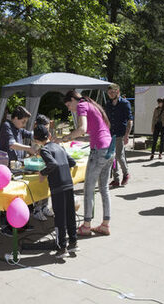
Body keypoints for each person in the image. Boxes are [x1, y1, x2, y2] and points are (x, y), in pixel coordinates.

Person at [57, 90, 113, 236]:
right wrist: (73, 139)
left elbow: (81, 129)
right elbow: (94, 133)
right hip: (109, 149)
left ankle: (86, 225)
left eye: (69, 105)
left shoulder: (82, 105)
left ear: (74, 99)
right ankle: (105, 225)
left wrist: (64, 139)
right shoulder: (92, 105)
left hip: (99, 150)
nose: (69, 108)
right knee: (104, 188)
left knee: (88, 188)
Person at [34, 125, 79, 258]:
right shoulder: (59, 146)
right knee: (70, 214)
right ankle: (74, 242)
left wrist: (42, 172)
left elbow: (52, 164)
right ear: (48, 135)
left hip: (58, 186)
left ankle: (61, 248)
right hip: (68, 184)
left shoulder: (44, 150)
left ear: (36, 140)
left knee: (59, 217)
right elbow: (72, 162)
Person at [0, 106, 36, 236]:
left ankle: (22, 222)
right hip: (6, 167)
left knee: (20, 195)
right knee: (8, 196)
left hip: (17, 166)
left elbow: (29, 134)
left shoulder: (18, 128)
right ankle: (6, 226)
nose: (24, 124)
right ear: (14, 118)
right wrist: (29, 149)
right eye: (23, 121)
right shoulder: (6, 126)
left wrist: (42, 135)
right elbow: (11, 144)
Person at [104, 83, 133, 187]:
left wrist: (127, 134)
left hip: (121, 133)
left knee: (119, 156)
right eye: (109, 92)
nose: (111, 94)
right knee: (112, 157)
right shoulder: (108, 104)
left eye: (113, 92)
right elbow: (106, 120)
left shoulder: (125, 103)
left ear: (118, 92)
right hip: (110, 134)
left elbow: (130, 120)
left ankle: (126, 174)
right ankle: (116, 179)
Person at [32, 114, 55, 221]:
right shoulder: (35, 137)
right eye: (45, 129)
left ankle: (45, 206)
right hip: (37, 166)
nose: (47, 132)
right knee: (38, 187)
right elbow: (33, 151)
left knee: (46, 187)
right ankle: (37, 209)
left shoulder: (46, 136)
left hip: (46, 166)